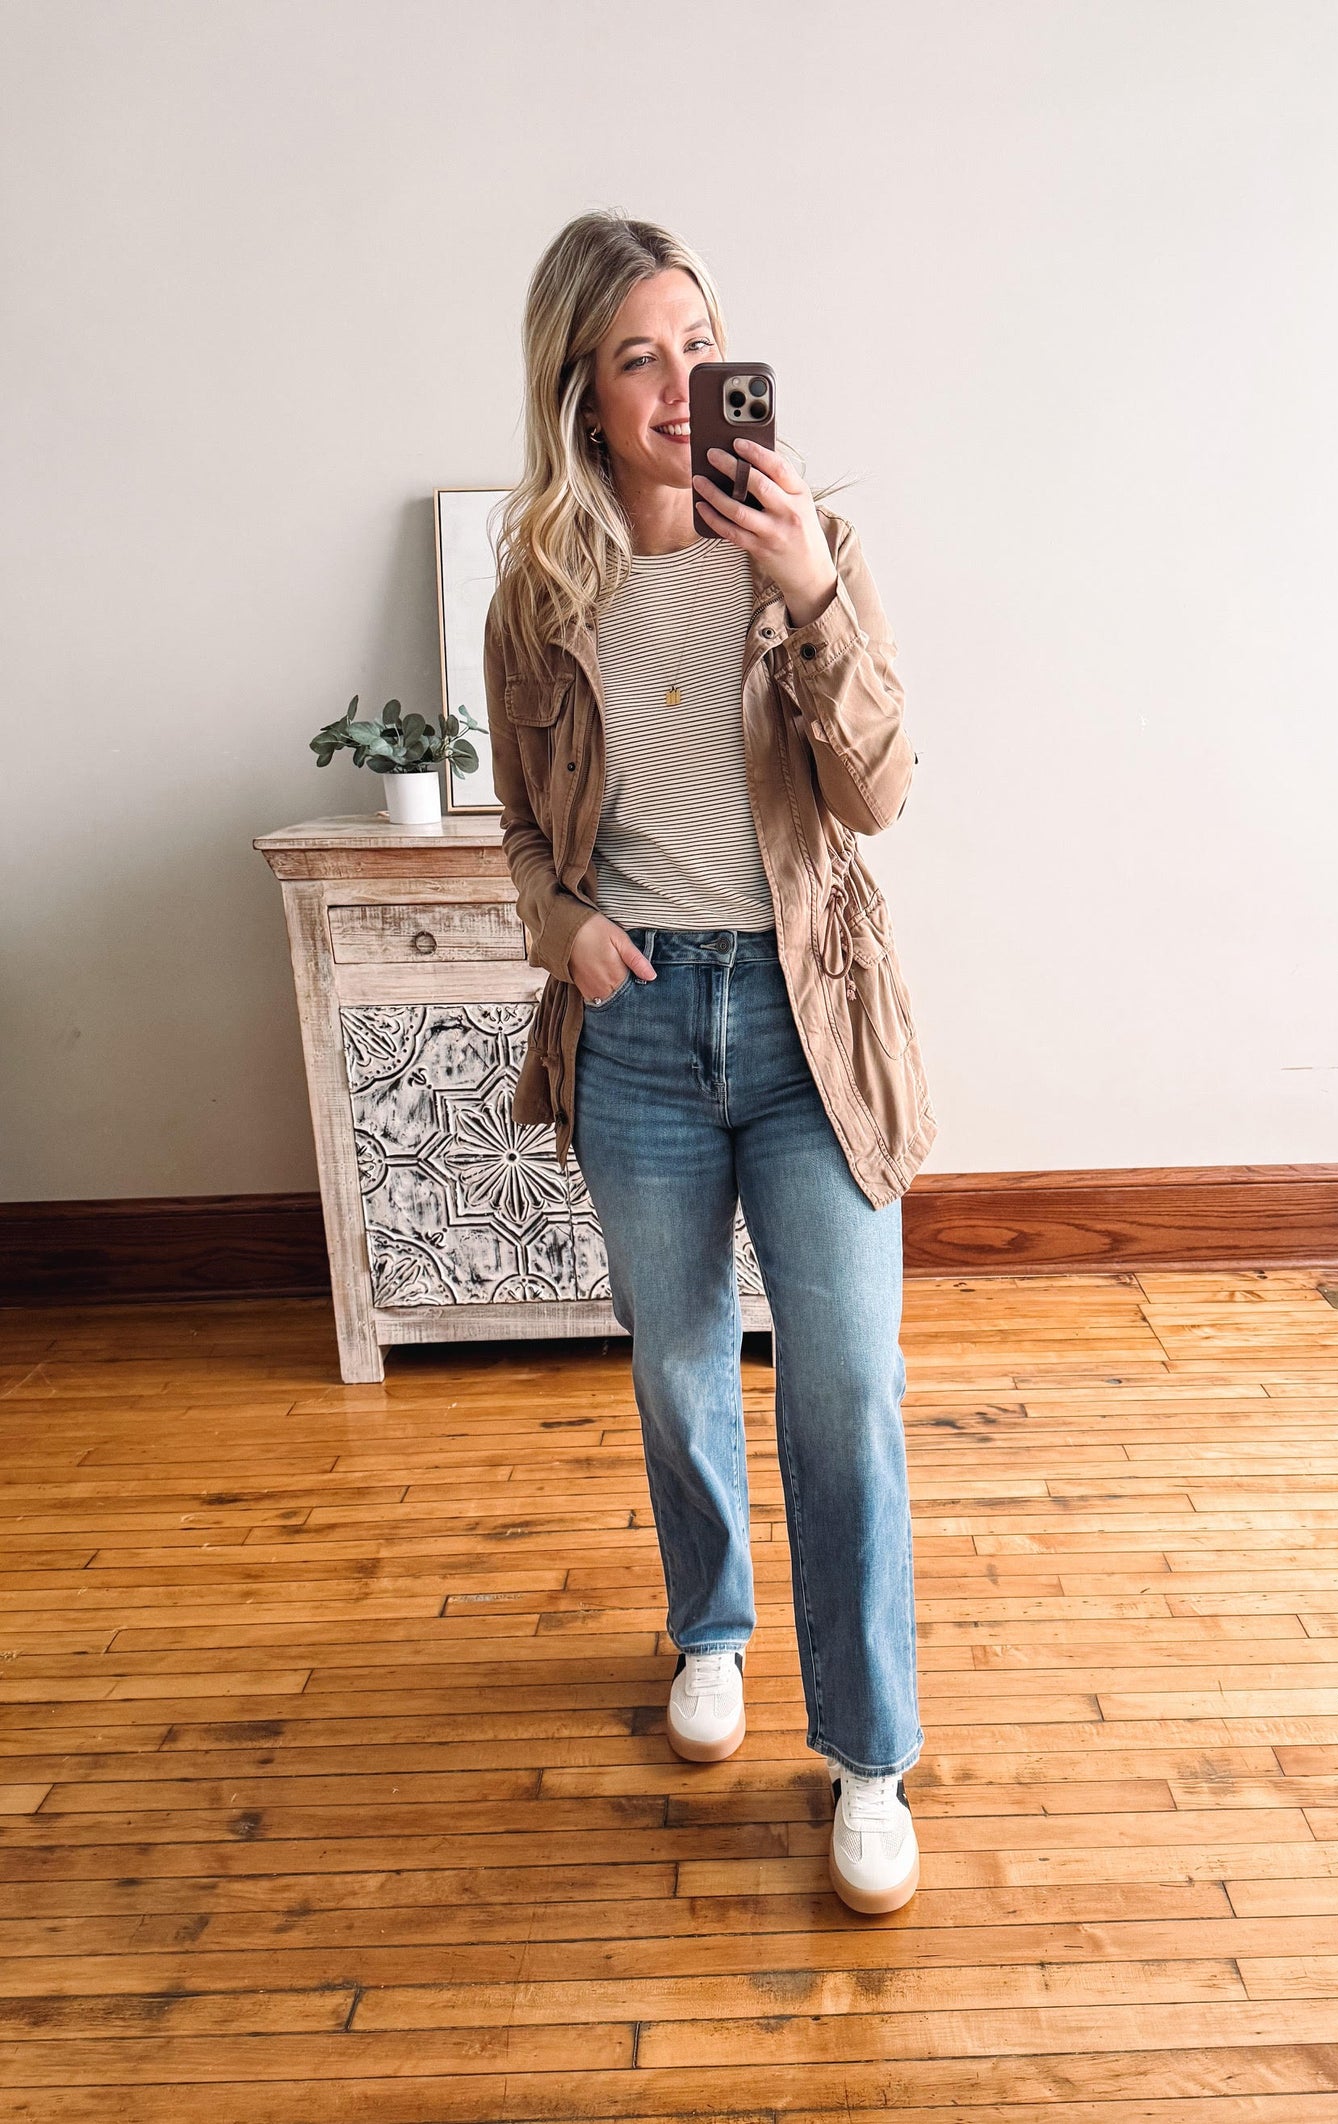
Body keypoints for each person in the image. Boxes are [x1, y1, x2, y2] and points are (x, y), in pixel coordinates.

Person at [485, 210, 936, 1914]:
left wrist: (807, 590)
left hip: (809, 1020)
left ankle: (870, 1756)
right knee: (676, 1366)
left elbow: (879, 794)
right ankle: (711, 1633)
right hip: (644, 1027)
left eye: (698, 345)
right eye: (635, 358)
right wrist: (563, 932)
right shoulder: (542, 591)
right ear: (581, 395)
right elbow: (529, 836)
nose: (680, 387)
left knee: (844, 1389)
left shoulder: (809, 542)